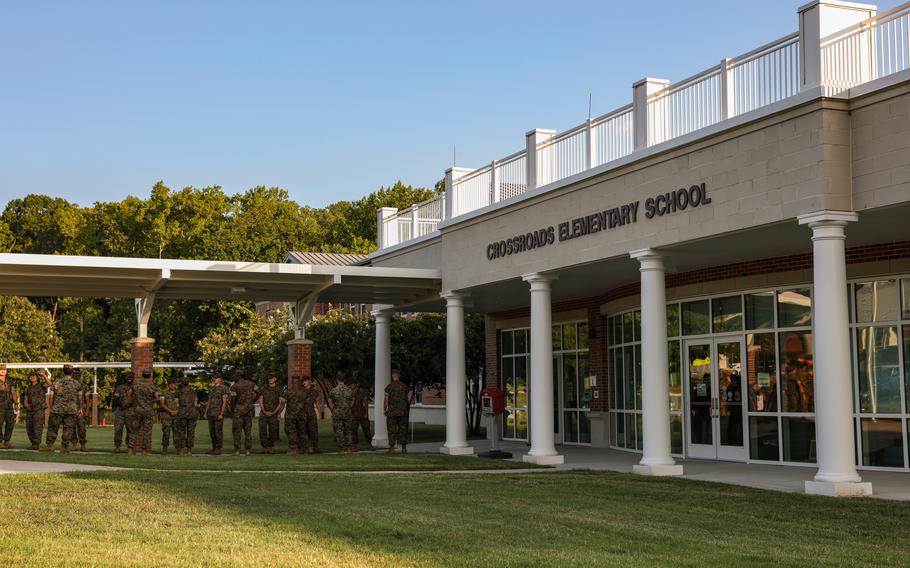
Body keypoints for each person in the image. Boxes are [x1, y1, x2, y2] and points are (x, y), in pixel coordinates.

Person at [43, 365, 83, 453]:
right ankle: (64, 447)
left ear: (63, 371)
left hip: (57, 409)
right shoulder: (77, 384)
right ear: (72, 372)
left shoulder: (57, 382)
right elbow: (80, 398)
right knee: (68, 428)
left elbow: (51, 395)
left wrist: (51, 407)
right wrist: (80, 408)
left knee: (53, 427)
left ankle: (50, 446)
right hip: (71, 410)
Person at [129, 369, 159, 456]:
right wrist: (150, 402)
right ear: (150, 375)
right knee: (147, 431)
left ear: (142, 375)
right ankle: (144, 450)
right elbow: (157, 398)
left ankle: (130, 449)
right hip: (148, 411)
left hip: (137, 410)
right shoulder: (152, 386)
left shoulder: (135, 385)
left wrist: (135, 402)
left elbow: (129, 395)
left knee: (134, 430)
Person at [230, 372, 260, 456]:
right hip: (249, 410)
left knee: (237, 430)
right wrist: (252, 401)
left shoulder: (234, 386)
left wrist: (232, 409)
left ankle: (237, 451)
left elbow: (233, 399)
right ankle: (248, 450)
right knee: (248, 431)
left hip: (238, 410)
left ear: (238, 376)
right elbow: (259, 392)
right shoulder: (251, 384)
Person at [384, 369, 410, 453]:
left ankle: (391, 448)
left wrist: (385, 409)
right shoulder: (404, 386)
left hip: (392, 412)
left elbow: (386, 399)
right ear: (399, 376)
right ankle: (404, 448)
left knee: (392, 430)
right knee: (403, 429)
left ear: (392, 376)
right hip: (402, 411)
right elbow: (407, 399)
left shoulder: (389, 387)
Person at [258, 373, 284, 454]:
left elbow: (281, 402)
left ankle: (270, 447)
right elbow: (260, 400)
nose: (270, 379)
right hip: (263, 413)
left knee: (273, 430)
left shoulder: (280, 389)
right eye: (269, 378)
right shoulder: (264, 388)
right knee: (262, 430)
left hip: (274, 413)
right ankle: (264, 447)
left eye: (272, 378)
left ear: (275, 379)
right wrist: (265, 411)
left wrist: (275, 412)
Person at [328, 374, 354, 453]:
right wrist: (348, 407)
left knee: (339, 430)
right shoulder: (349, 390)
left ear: (337, 380)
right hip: (347, 412)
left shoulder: (334, 390)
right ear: (344, 380)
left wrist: (333, 409)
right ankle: (349, 447)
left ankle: (342, 447)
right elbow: (353, 401)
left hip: (337, 412)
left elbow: (330, 402)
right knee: (348, 430)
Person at [205, 374, 230, 455]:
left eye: (216, 378)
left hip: (218, 413)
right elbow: (209, 401)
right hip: (211, 413)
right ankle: (214, 448)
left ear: (220, 379)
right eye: (214, 378)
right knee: (212, 432)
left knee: (218, 431)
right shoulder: (212, 389)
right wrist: (206, 412)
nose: (214, 379)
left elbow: (225, 401)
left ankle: (218, 448)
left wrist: (221, 413)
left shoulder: (224, 388)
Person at [22, 371, 47, 450]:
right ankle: (33, 444)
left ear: (37, 377)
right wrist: (26, 404)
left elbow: (49, 384)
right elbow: (26, 398)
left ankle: (36, 444)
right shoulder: (28, 387)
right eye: (30, 376)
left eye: (33, 376)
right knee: (29, 427)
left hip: (39, 409)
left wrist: (44, 375)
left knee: (37, 427)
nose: (32, 377)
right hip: (30, 410)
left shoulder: (41, 385)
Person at [174, 377, 198, 457]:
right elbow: (195, 404)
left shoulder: (178, 392)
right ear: (188, 383)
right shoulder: (193, 391)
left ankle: (181, 451)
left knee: (181, 432)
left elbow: (177, 404)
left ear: (181, 383)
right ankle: (189, 451)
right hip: (192, 413)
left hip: (182, 414)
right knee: (191, 432)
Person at [111, 373, 135, 453]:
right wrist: (121, 405)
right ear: (124, 378)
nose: (130, 378)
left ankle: (130, 447)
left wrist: (128, 405)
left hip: (131, 412)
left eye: (131, 377)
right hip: (120, 412)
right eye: (128, 377)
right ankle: (117, 446)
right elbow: (115, 398)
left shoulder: (135, 388)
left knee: (131, 430)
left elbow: (137, 399)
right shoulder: (119, 388)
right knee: (118, 429)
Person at [284, 375, 306, 455]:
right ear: (298, 381)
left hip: (290, 415)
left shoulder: (288, 391)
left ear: (292, 381)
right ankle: (303, 448)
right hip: (301, 415)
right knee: (302, 431)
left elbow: (283, 403)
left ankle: (293, 449)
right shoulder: (304, 392)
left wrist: (279, 413)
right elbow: (306, 404)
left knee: (291, 431)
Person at [158, 378, 179, 455]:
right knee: (166, 433)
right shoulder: (164, 393)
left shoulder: (179, 393)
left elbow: (182, 403)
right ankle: (164, 448)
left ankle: (178, 449)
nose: (172, 385)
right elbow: (162, 404)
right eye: (171, 384)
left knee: (177, 433)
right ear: (168, 385)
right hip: (166, 416)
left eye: (174, 384)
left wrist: (177, 410)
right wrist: (170, 411)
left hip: (177, 416)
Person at [0, 364, 19, 449]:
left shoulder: (10, 381)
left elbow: (13, 392)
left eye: (4, 369)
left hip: (8, 406)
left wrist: (16, 403)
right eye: (1, 369)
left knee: (10, 423)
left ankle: (6, 441)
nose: (3, 371)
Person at [301, 375, 321, 454]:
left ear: (309, 381)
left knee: (313, 430)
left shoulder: (314, 391)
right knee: (304, 430)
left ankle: (314, 447)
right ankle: (306, 447)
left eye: (305, 381)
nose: (304, 383)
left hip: (311, 413)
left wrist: (319, 413)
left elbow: (317, 402)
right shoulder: (301, 391)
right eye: (303, 382)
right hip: (303, 413)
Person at [350, 382, 373, 450]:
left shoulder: (362, 392)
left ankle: (369, 444)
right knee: (353, 430)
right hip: (354, 415)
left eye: (352, 384)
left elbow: (366, 402)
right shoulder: (349, 393)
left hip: (362, 414)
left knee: (366, 429)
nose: (351, 385)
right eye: (350, 384)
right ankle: (354, 445)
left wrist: (366, 413)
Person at [73, 369, 88, 452]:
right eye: (74, 374)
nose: (76, 376)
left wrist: (86, 410)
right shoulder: (70, 385)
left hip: (80, 409)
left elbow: (87, 398)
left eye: (78, 374)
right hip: (71, 409)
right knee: (71, 428)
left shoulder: (84, 386)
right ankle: (74, 444)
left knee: (81, 428)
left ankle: (83, 445)